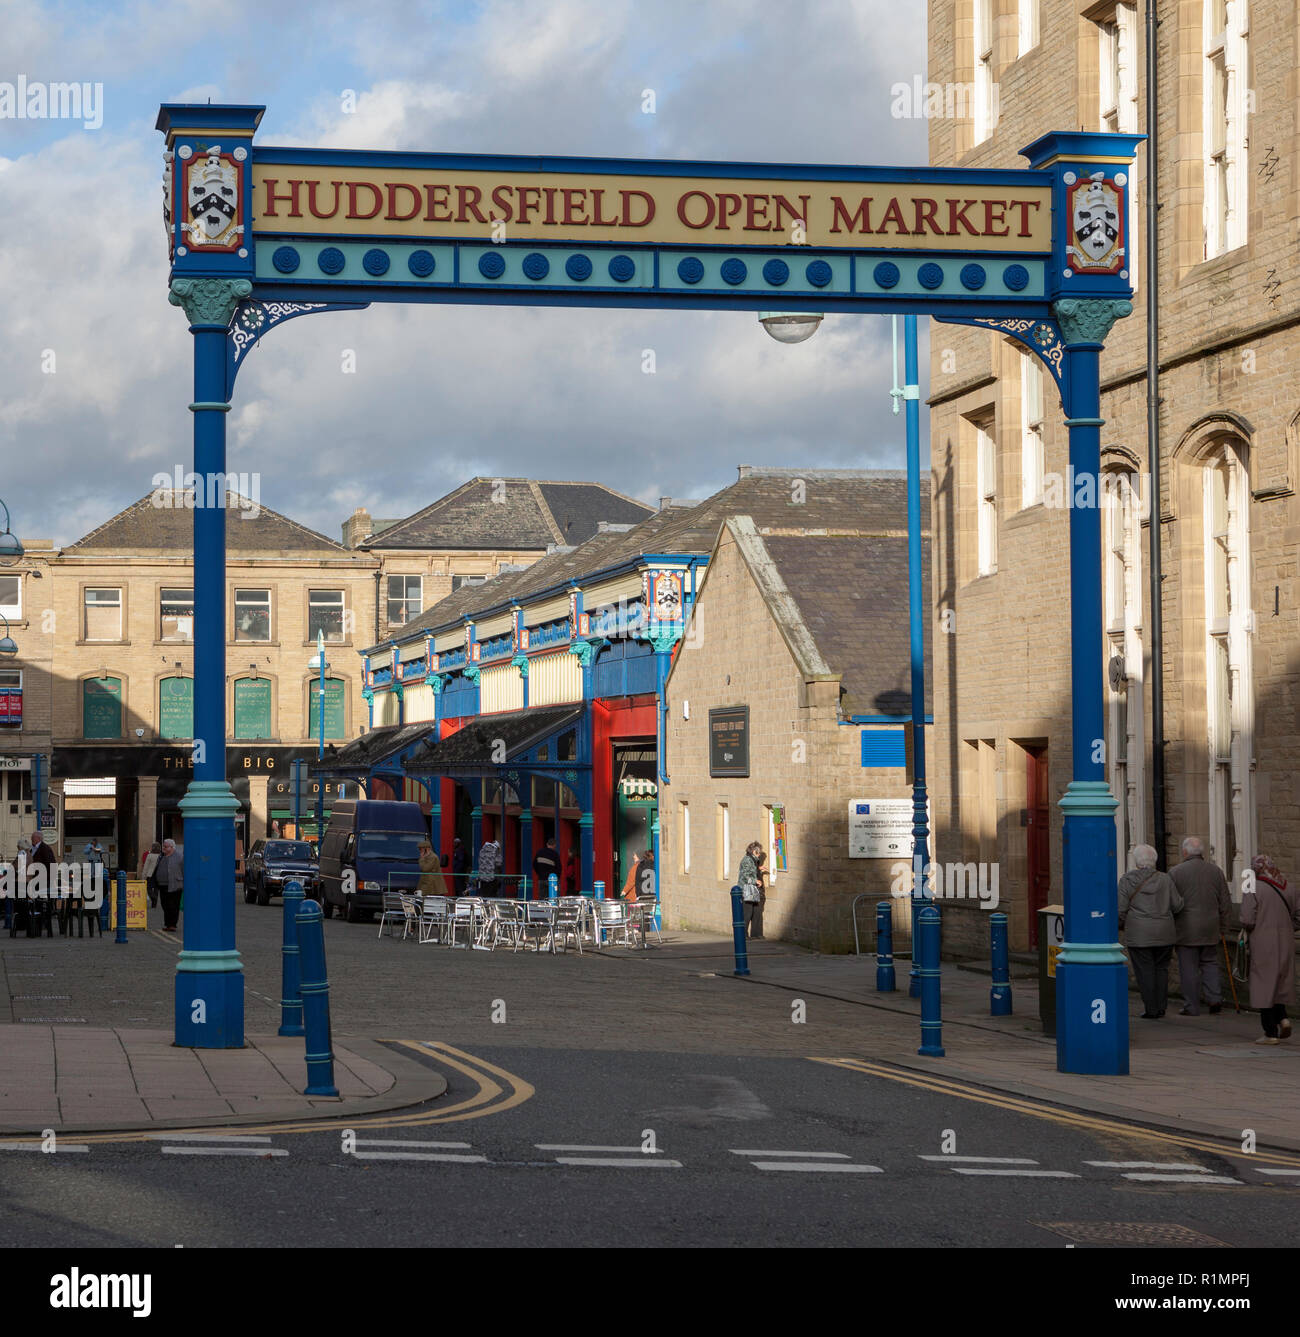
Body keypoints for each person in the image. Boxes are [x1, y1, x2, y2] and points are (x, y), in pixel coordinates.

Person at [1117, 844, 1184, 1019]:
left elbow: (1121, 908)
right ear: (1154, 860)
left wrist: (1121, 925)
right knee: (1161, 969)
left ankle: (1151, 1008)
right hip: (1164, 932)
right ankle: (1161, 1006)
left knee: (1144, 971)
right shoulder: (1165, 879)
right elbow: (1177, 905)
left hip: (1139, 934)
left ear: (1136, 861)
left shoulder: (1127, 880)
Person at [1169, 835, 1232, 1016]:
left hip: (1186, 929)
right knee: (1210, 964)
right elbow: (1225, 902)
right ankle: (1215, 999)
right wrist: (1224, 927)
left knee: (1189, 969)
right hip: (1211, 927)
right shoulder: (1216, 871)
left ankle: (1192, 1006)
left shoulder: (1175, 872)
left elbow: (1171, 904)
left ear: (1185, 852)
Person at [1240, 854, 1299, 1045]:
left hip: (1263, 941)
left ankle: (1270, 1032)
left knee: (1264, 984)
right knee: (1280, 981)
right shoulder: (1289, 886)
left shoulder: (1253, 887)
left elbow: (1247, 919)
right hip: (1286, 940)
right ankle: (1283, 1018)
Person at [155, 837, 184, 932]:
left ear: (172, 847)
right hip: (162, 885)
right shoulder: (162, 856)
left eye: (166, 846)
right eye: (164, 846)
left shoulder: (179, 857)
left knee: (173, 906)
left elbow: (184, 871)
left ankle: (172, 925)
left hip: (175, 885)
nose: (164, 848)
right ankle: (167, 924)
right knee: (164, 905)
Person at [736, 841, 763, 939]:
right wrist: (756, 881)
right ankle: (743, 935)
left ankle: (755, 934)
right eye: (759, 852)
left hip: (752, 890)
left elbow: (751, 870)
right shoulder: (747, 860)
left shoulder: (752, 860)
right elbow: (745, 876)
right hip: (746, 889)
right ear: (754, 851)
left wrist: (759, 869)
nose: (760, 855)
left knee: (756, 911)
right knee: (747, 913)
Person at [141, 841, 162, 909]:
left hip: (150, 875)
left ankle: (154, 898)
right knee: (156, 889)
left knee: (148, 888)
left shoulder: (149, 855)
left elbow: (146, 867)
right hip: (158, 874)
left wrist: (143, 877)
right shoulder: (161, 855)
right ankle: (154, 904)